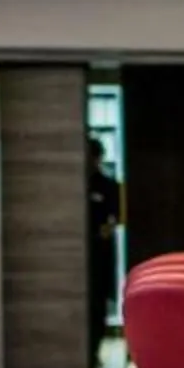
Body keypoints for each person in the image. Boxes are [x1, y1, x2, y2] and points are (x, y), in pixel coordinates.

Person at [86, 137, 122, 355]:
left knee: (98, 305)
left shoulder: (108, 185)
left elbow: (116, 217)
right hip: (78, 252)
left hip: (100, 253)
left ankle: (94, 351)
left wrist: (107, 228)